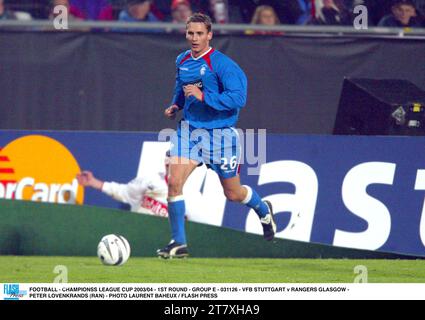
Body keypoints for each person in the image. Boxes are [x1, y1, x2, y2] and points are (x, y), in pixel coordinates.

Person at [158, 13, 276, 259]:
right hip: (189, 130)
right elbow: (182, 88)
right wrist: (175, 105)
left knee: (233, 194)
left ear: (209, 35)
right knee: (174, 183)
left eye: (200, 33)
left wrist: (204, 98)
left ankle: (264, 210)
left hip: (220, 135)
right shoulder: (182, 60)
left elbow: (238, 98)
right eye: (190, 33)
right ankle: (178, 243)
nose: (194, 38)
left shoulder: (223, 64)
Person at [76, 151, 170, 217]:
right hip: (138, 230)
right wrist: (94, 182)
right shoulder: (152, 180)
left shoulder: (184, 193)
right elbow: (125, 192)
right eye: (168, 161)